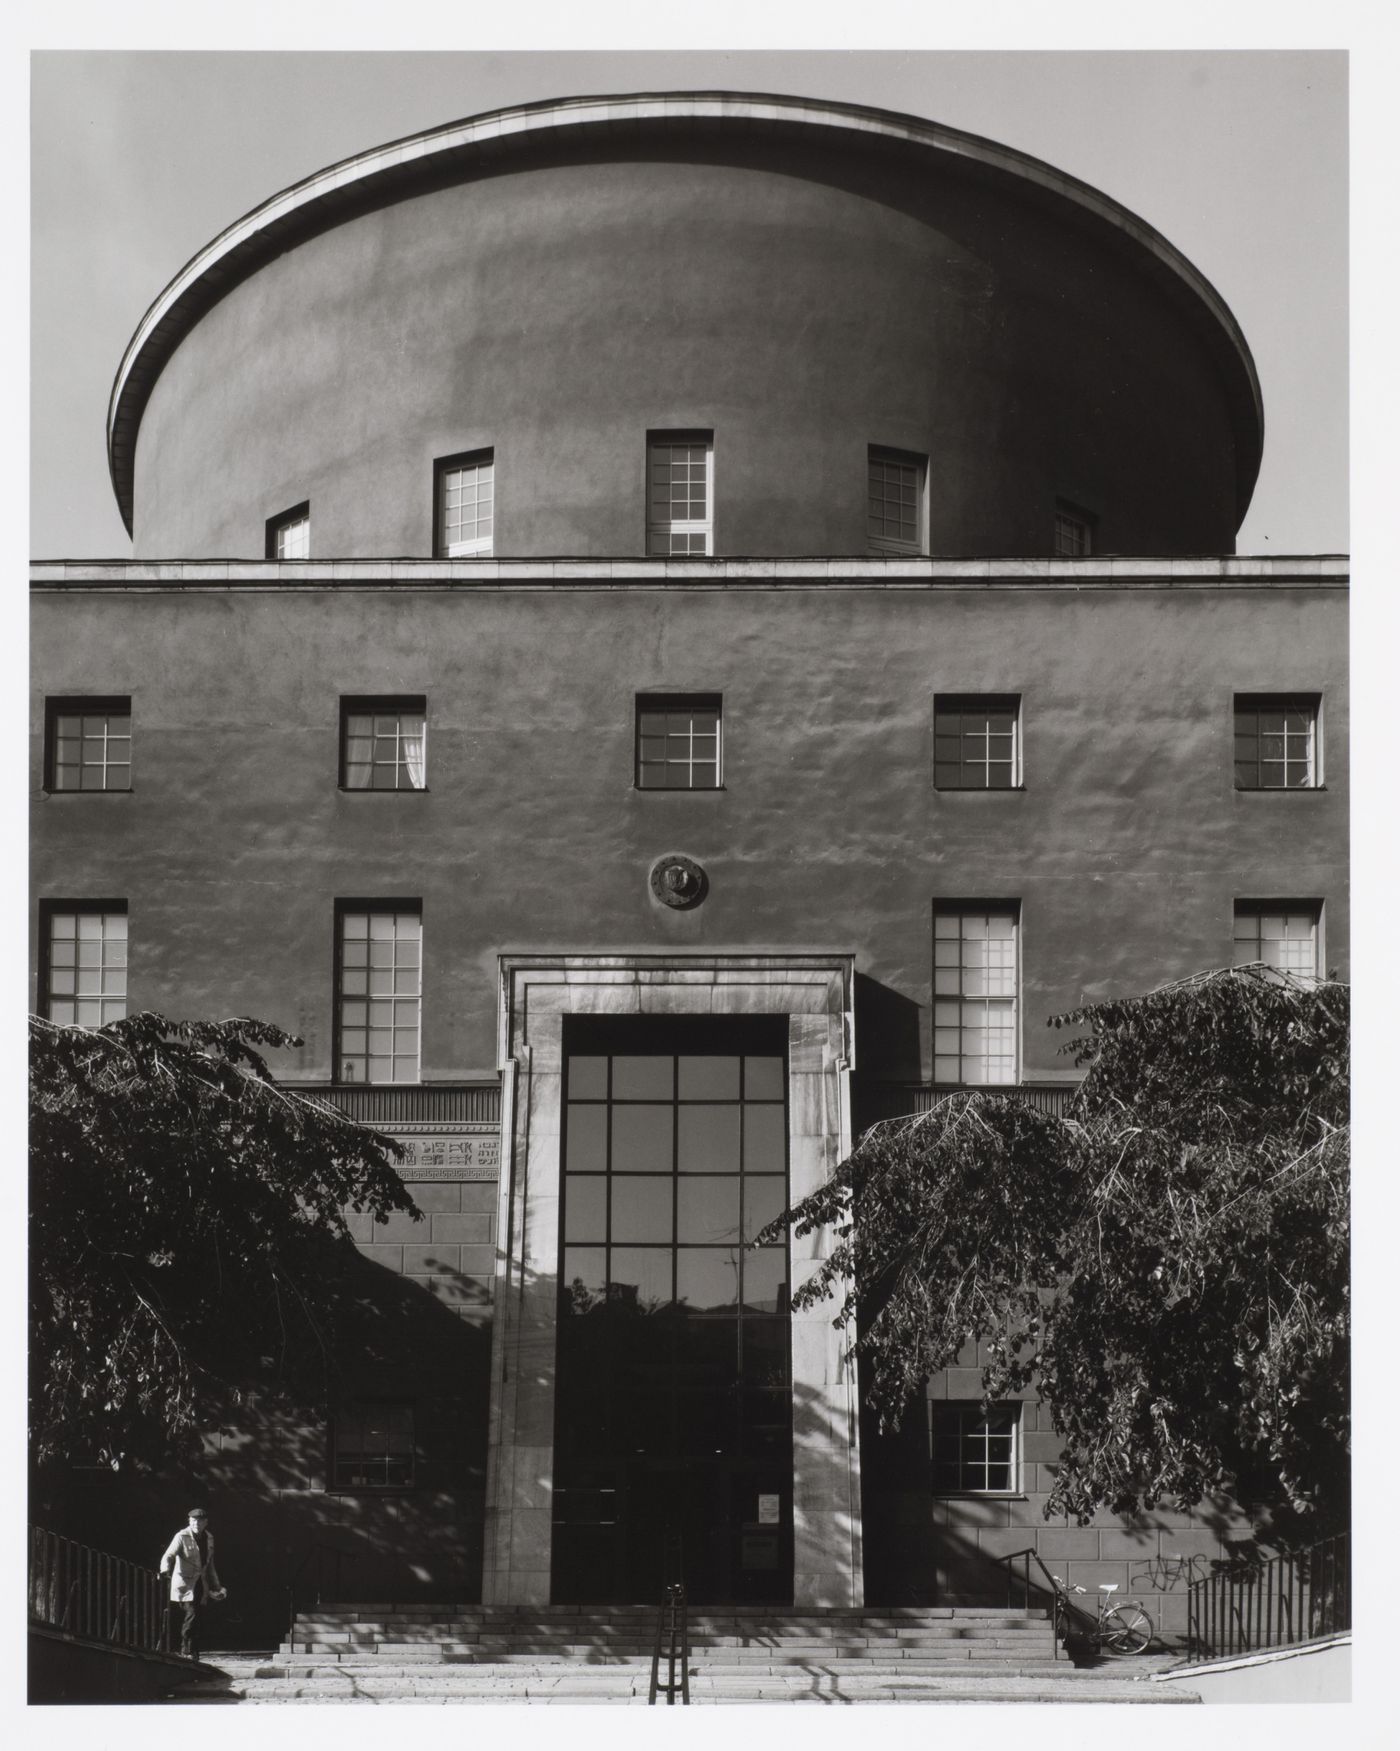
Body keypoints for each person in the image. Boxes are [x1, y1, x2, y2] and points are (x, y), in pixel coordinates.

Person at [159, 1506, 225, 1659]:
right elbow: (168, 1555)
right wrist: (165, 1570)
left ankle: (194, 1652)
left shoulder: (209, 1537)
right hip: (185, 1584)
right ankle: (186, 1651)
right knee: (192, 1615)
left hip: (201, 1584)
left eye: (200, 1521)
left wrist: (216, 1585)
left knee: (198, 1618)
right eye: (194, 1521)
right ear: (189, 1521)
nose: (196, 1524)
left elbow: (210, 1565)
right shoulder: (181, 1536)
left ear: (205, 1523)